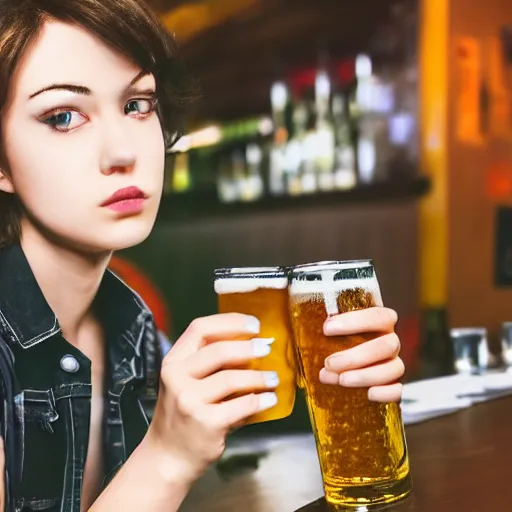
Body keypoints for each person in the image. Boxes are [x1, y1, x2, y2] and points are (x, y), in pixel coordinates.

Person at [0, 0, 406, 510]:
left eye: (137, 105)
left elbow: (242, 445)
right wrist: (167, 455)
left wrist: (337, 380)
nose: (123, 151)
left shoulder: (135, 328)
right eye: (63, 116)